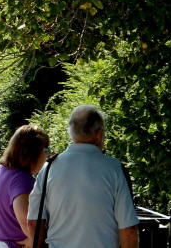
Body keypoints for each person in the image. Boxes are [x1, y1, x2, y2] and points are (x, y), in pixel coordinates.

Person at [27, 105, 139, 248]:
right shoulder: (115, 169)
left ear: (71, 132)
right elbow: (129, 230)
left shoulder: (48, 169)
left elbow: (33, 222)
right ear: (98, 134)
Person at [0, 125, 50, 248]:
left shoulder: (1, 170)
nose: (46, 156)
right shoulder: (21, 179)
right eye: (46, 150)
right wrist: (35, 241)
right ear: (35, 152)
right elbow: (28, 223)